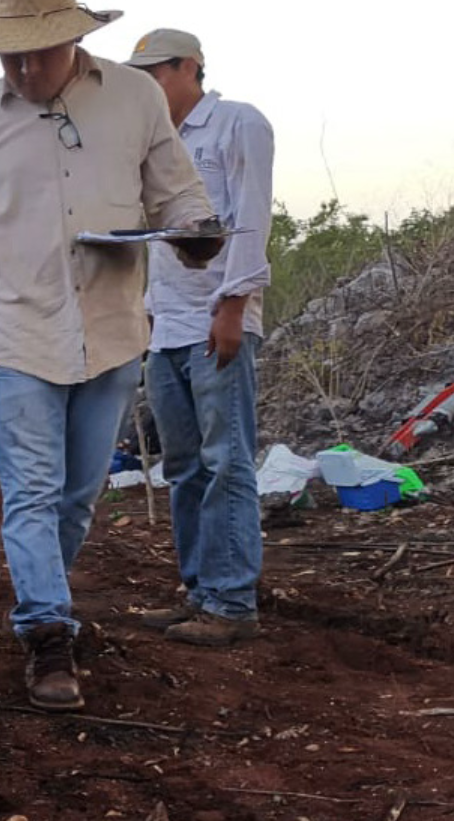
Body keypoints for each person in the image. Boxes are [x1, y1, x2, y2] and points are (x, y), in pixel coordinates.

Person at [0, 0, 222, 711]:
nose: (22, 67)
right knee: (32, 493)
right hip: (17, 334)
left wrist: (195, 233)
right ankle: (47, 630)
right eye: (9, 54)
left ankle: (41, 586)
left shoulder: (136, 98)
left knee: (78, 497)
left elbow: (177, 195)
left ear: (75, 39)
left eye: (37, 52)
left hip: (110, 331)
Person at [125, 29, 274, 647]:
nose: (150, 86)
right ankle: (199, 591)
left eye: (157, 73)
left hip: (218, 317)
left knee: (226, 460)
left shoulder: (237, 124)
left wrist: (234, 305)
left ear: (191, 67)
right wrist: (150, 313)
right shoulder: (155, 146)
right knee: (183, 466)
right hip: (168, 326)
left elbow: (251, 216)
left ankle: (232, 600)